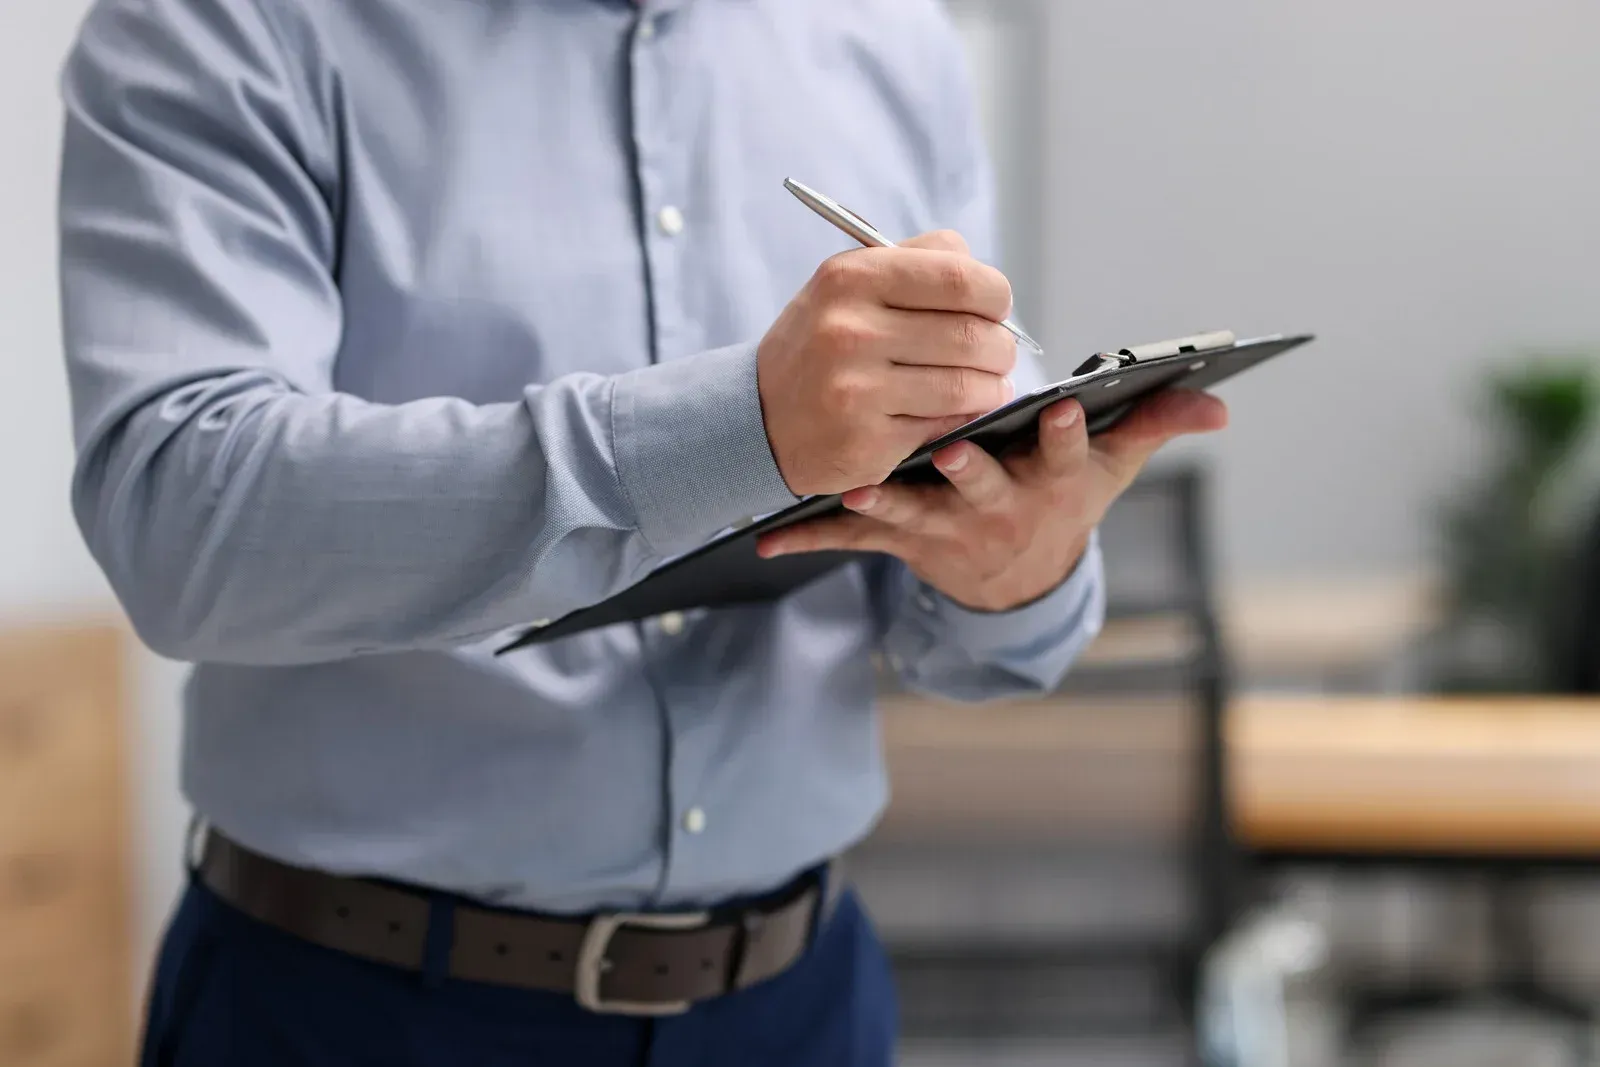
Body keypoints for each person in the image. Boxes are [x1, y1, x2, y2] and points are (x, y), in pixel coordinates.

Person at [57, 0, 1227, 1064]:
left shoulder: (894, 41)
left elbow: (970, 628)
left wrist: (1012, 568)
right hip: (353, 1012)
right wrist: (739, 430)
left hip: (800, 1005)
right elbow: (180, 522)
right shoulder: (226, 23)